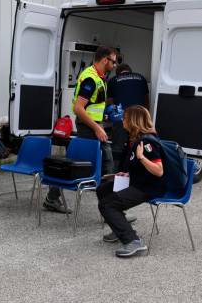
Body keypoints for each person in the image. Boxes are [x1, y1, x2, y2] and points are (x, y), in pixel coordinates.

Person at [44, 46, 117, 214]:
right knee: (107, 164)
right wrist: (97, 127)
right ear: (105, 60)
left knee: (74, 162)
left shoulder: (99, 77)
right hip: (89, 128)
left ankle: (51, 198)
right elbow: (78, 108)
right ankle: (114, 209)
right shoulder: (90, 79)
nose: (114, 65)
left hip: (93, 125)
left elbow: (91, 106)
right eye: (113, 61)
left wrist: (106, 115)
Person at [96, 105, 165, 258]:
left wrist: (141, 157)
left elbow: (159, 171)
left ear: (133, 121)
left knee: (107, 204)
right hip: (138, 181)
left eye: (125, 117)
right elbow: (138, 167)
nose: (122, 120)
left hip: (148, 187)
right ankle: (119, 226)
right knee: (103, 190)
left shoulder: (147, 142)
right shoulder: (135, 138)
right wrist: (127, 174)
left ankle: (134, 242)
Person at [107, 63, 150, 171]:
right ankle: (136, 171)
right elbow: (146, 100)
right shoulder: (141, 78)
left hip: (122, 117)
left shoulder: (113, 80)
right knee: (138, 145)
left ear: (118, 73)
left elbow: (110, 103)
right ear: (130, 71)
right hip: (139, 117)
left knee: (118, 147)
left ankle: (115, 173)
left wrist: (114, 118)